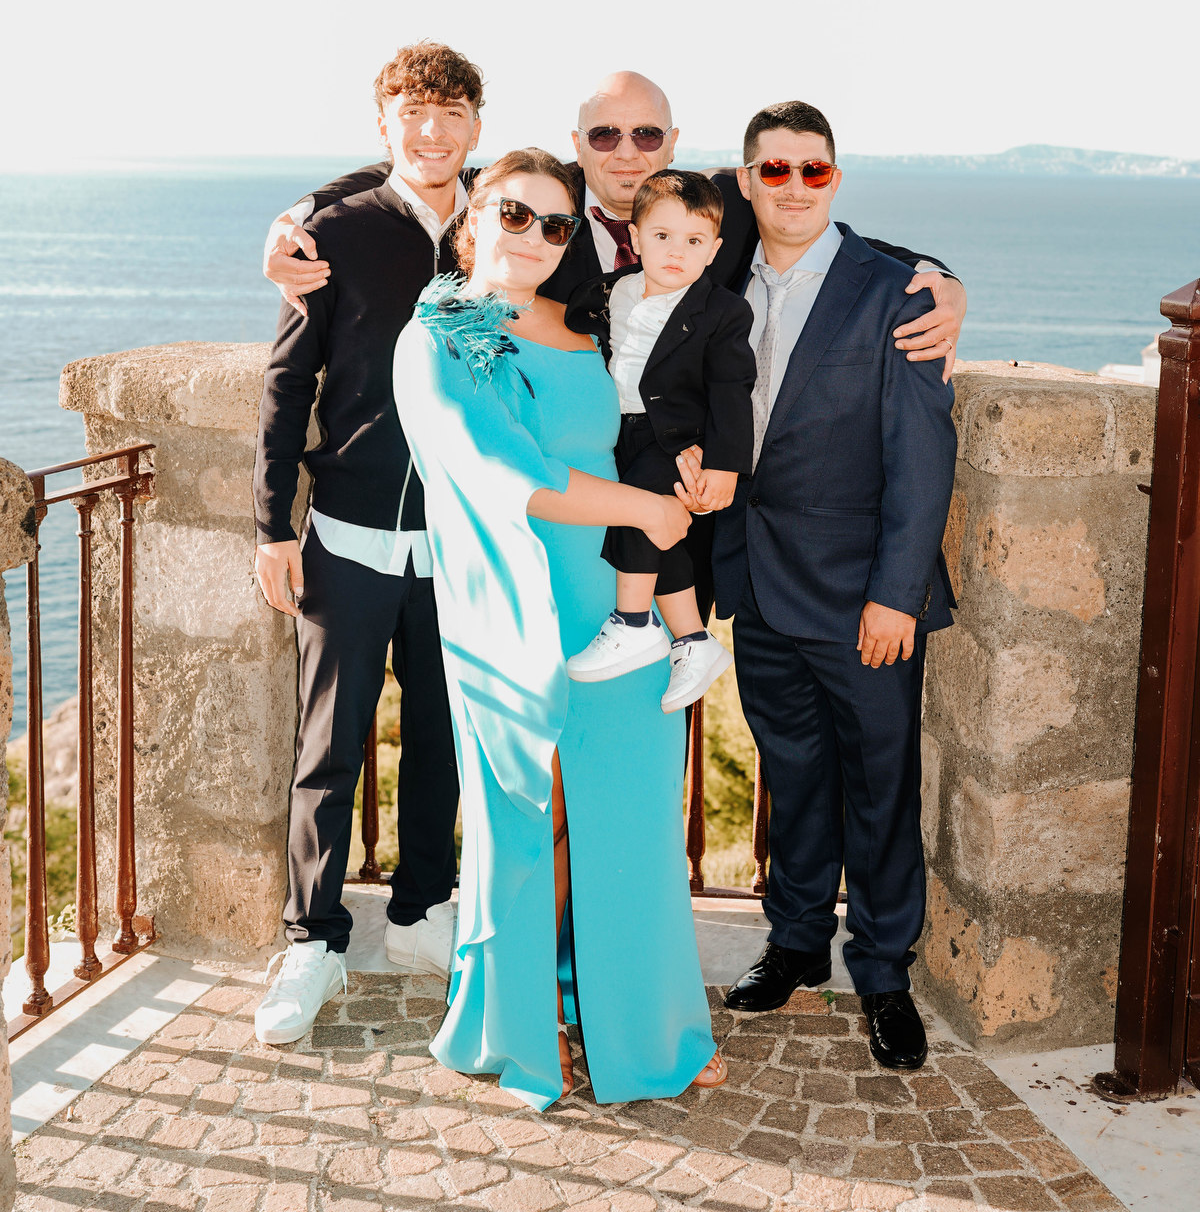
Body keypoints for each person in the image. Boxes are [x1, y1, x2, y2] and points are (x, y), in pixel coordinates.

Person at [260, 69, 969, 623]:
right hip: (560, 528)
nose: (627, 153)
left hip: (678, 528)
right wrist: (300, 212)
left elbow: (815, 227)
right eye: (604, 136)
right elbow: (428, 168)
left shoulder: (716, 204)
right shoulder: (542, 208)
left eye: (646, 135)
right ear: (578, 145)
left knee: (657, 713)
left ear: (673, 142)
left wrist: (938, 276)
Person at [394, 149, 724, 1109]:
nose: (534, 237)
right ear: (471, 218)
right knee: (528, 818)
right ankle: (525, 1024)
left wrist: (684, 467)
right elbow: (511, 472)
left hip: (624, 606)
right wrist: (646, 509)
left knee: (626, 816)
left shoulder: (586, 322)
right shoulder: (435, 337)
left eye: (554, 224)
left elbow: (638, 423)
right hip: (515, 606)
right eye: (513, 214)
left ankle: (641, 1027)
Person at [708, 101, 958, 1073]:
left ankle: (885, 972)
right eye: (774, 170)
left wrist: (897, 595)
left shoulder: (897, 292)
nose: (795, 187)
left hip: (865, 604)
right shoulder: (719, 281)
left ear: (835, 179)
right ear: (747, 181)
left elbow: (922, 458)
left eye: (813, 170)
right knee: (795, 776)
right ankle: (798, 943)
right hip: (761, 588)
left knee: (881, 789)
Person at [250, 41, 484, 1046]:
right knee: (329, 749)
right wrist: (273, 524)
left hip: (460, 542)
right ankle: (314, 940)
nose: (431, 133)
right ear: (384, 123)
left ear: (477, 125)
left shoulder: (500, 223)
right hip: (346, 536)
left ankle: (424, 914)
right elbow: (287, 380)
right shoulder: (335, 232)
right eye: (412, 114)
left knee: (441, 738)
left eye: (451, 114)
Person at [563, 169, 753, 712]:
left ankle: (632, 621)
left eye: (694, 241)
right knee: (655, 533)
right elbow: (570, 320)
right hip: (618, 433)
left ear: (713, 250)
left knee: (639, 509)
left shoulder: (722, 311)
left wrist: (724, 466)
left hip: (676, 440)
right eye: (663, 236)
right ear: (636, 236)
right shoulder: (610, 291)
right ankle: (693, 640)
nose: (676, 251)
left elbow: (733, 390)